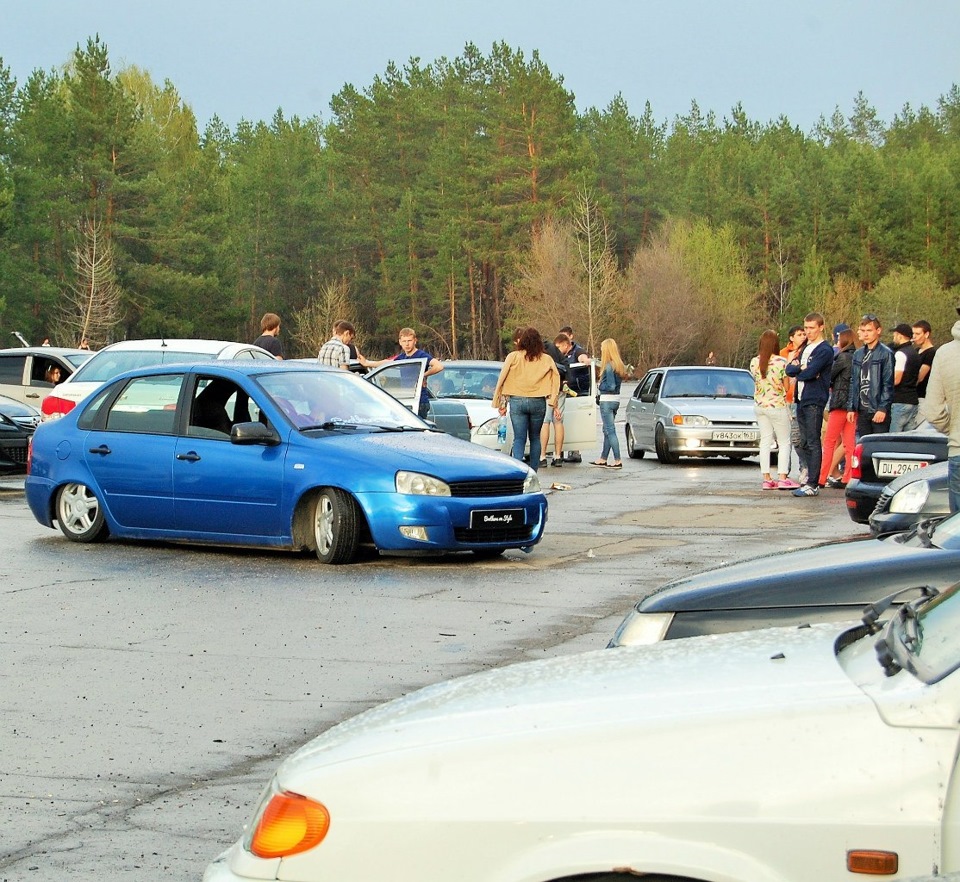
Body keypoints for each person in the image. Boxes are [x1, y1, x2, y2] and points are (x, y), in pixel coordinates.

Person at [491, 327, 560, 472]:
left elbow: (502, 378)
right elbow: (556, 377)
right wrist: (554, 400)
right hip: (538, 401)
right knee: (535, 438)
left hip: (517, 401)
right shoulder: (546, 359)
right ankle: (533, 472)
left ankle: (518, 472)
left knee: (519, 438)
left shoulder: (513, 356)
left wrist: (500, 401)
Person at [785, 312, 834, 497]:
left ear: (821, 327)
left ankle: (814, 483)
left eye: (812, 328)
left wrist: (802, 370)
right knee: (803, 441)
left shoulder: (824, 349)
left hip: (814, 399)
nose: (808, 332)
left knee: (813, 441)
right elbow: (790, 369)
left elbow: (810, 372)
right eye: (806, 328)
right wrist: (800, 369)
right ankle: (807, 478)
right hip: (800, 398)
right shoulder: (805, 347)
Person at [921, 307, 960, 513]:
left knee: (957, 534)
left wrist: (954, 430)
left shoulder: (944, 354)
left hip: (959, 451)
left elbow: (933, 411)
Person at [749, 330, 797, 490]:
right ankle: (782, 477)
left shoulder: (754, 362)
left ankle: (766, 478)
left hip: (760, 406)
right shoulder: (782, 362)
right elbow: (786, 386)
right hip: (777, 405)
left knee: (765, 441)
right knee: (784, 442)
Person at [363, 327, 443, 417]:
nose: (407, 344)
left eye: (409, 340)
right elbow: (386, 362)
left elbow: (438, 366)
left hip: (419, 401)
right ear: (400, 342)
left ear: (415, 341)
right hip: (406, 399)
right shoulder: (402, 357)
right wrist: (367, 363)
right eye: (404, 341)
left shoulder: (421, 355)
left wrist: (422, 376)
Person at [818, 327, 857, 489]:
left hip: (839, 403)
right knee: (850, 444)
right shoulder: (859, 356)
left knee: (829, 441)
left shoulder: (842, 357)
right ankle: (849, 476)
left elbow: (830, 377)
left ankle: (821, 476)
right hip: (853, 406)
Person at [846, 314, 895, 438]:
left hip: (877, 407)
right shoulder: (858, 354)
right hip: (862, 409)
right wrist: (851, 407)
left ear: (878, 331)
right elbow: (853, 381)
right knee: (864, 448)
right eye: (863, 331)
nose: (866, 334)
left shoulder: (886, 353)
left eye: (869, 330)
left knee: (879, 447)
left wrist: (883, 408)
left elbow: (887, 383)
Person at [592, 338, 629, 469]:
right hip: (616, 400)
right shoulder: (618, 365)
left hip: (607, 400)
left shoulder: (608, 366)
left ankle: (617, 459)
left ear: (606, 350)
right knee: (607, 430)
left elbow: (611, 386)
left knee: (610, 430)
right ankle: (603, 458)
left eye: (602, 348)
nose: (601, 350)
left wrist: (600, 386)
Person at [558, 326, 591, 462]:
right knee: (561, 420)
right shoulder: (558, 352)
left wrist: (585, 361)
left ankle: (575, 451)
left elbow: (583, 357)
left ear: (571, 337)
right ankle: (557, 451)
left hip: (577, 391)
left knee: (575, 421)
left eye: (566, 337)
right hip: (563, 390)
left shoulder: (578, 350)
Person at [780, 324, 807, 482]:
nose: (803, 336)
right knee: (784, 439)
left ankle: (804, 467)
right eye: (799, 334)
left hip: (799, 399)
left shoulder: (807, 352)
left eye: (804, 334)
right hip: (785, 400)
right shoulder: (783, 354)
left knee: (797, 438)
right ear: (791, 337)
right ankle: (784, 472)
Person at [539, 334, 569, 467]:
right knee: (558, 422)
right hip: (561, 388)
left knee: (545, 422)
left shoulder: (542, 353)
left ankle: (542, 456)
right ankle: (558, 456)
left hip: (546, 389)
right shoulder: (555, 350)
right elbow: (566, 367)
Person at [890, 323, 921, 432]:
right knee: (909, 439)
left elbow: (896, 380)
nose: (893, 337)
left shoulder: (900, 354)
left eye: (895, 334)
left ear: (900, 335)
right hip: (912, 400)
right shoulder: (915, 353)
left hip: (900, 401)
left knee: (894, 438)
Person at [912, 320, 936, 403]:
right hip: (913, 396)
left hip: (923, 397)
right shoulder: (916, 351)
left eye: (917, 334)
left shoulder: (931, 352)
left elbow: (920, 377)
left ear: (926, 334)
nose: (914, 337)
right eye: (913, 333)